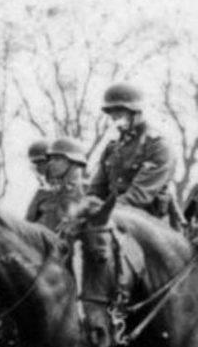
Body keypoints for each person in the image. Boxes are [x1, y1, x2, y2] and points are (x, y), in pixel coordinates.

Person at [89, 82, 181, 228]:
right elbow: (96, 188)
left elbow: (139, 196)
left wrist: (104, 212)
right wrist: (86, 208)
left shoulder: (157, 145)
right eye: (111, 111)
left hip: (150, 223)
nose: (114, 117)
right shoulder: (113, 147)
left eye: (120, 111)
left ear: (136, 112)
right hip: (113, 216)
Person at [29, 137, 88, 235]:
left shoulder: (91, 192)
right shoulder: (43, 194)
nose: (50, 163)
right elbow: (26, 228)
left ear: (74, 162)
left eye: (57, 159)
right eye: (50, 159)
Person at [23, 139, 52, 221]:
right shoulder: (42, 192)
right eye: (35, 163)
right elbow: (29, 220)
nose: (38, 167)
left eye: (41, 162)